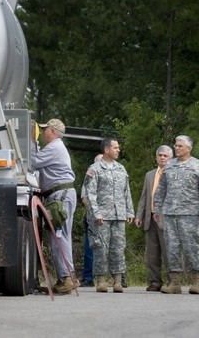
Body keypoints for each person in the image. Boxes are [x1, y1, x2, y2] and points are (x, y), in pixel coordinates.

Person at [153, 135, 199, 294]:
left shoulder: (198, 165)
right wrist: (157, 209)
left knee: (191, 247)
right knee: (172, 248)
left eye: (180, 146)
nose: (176, 148)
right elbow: (161, 189)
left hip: (190, 215)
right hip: (170, 214)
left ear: (189, 148)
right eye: (176, 145)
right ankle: (175, 283)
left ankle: (196, 281)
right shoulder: (170, 165)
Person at [31, 118, 77, 294]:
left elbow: (33, 162)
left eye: (44, 130)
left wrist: (30, 142)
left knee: (59, 236)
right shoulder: (57, 147)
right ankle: (69, 277)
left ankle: (65, 278)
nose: (43, 133)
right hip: (62, 195)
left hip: (60, 196)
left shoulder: (54, 147)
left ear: (52, 131)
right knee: (62, 235)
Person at [83, 138, 134, 293]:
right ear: (106, 150)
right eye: (115, 147)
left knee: (118, 248)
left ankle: (117, 281)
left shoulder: (121, 169)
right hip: (102, 217)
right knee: (100, 248)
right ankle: (101, 280)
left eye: (118, 148)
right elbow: (90, 193)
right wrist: (96, 213)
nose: (118, 150)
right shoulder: (94, 169)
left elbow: (127, 192)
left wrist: (129, 210)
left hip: (119, 215)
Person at [135, 145, 173, 292]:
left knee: (168, 251)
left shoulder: (172, 173)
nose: (162, 158)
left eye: (165, 156)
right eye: (160, 155)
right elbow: (144, 197)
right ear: (156, 157)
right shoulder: (149, 175)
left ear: (171, 158)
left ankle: (172, 281)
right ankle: (155, 281)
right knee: (152, 253)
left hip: (166, 218)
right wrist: (139, 215)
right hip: (150, 218)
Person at [79, 154, 103, 287]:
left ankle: (119, 278)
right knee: (89, 247)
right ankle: (88, 277)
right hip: (92, 217)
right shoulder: (89, 175)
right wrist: (95, 211)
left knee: (115, 247)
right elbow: (84, 198)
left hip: (109, 216)